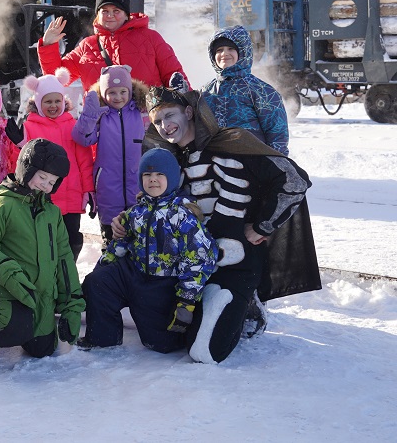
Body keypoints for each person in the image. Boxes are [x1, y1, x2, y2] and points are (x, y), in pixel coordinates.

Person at [134, 86, 319, 363]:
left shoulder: (234, 142)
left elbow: (294, 181)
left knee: (204, 351)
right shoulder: (170, 159)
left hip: (234, 261)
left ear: (188, 112)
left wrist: (261, 227)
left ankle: (245, 305)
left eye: (169, 116)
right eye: (157, 121)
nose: (164, 126)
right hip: (190, 266)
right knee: (162, 339)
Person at [0, 139, 85, 372]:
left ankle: (27, 329)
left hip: (42, 292)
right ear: (26, 170)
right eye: (42, 177)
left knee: (43, 348)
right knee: (14, 326)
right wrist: (8, 271)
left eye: (52, 182)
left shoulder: (52, 213)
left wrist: (71, 306)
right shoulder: (0, 205)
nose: (46, 186)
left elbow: (64, 258)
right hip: (10, 285)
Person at [80, 149, 217, 353]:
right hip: (133, 274)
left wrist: (186, 301)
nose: (153, 180)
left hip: (163, 284)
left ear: (171, 178)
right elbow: (121, 242)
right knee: (98, 282)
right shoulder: (136, 211)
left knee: (161, 344)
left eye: (159, 174)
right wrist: (104, 266)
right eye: (147, 175)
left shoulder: (182, 215)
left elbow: (200, 258)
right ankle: (102, 338)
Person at [38, 0, 188, 91]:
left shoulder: (150, 38)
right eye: (105, 11)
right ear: (98, 15)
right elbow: (56, 80)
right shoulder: (87, 46)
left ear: (126, 15)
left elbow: (175, 76)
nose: (110, 15)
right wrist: (48, 45)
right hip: (102, 127)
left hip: (147, 124)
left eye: (116, 11)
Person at [21, 68, 93, 259]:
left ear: (63, 101)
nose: (53, 106)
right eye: (47, 101)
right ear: (38, 102)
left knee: (72, 242)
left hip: (71, 198)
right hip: (43, 198)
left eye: (56, 101)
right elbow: (22, 161)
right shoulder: (30, 127)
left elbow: (84, 161)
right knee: (45, 245)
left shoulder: (72, 125)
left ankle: (69, 281)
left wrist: (88, 189)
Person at [71, 64, 150, 240]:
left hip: (137, 185)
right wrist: (89, 117)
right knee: (112, 238)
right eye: (112, 92)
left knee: (140, 239)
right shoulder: (101, 115)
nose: (118, 97)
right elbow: (81, 138)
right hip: (108, 186)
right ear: (103, 93)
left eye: (123, 91)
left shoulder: (141, 112)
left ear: (130, 90)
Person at [201, 25, 290, 155]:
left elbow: (277, 133)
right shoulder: (206, 90)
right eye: (219, 50)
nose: (224, 54)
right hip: (215, 161)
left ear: (243, 52)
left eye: (231, 49)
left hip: (252, 161)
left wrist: (276, 164)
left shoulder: (261, 90)